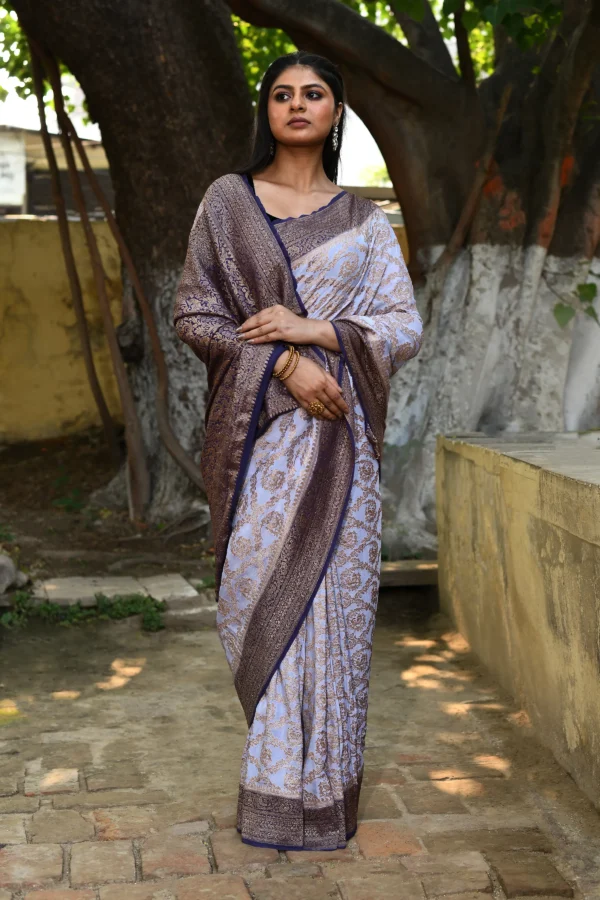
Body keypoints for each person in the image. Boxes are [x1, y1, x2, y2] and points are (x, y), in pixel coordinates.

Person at [173, 50, 423, 851]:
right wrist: (284, 363)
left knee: (335, 618)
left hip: (343, 453)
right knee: (256, 593)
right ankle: (280, 781)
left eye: (314, 94)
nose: (297, 104)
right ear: (267, 110)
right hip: (261, 443)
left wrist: (315, 330)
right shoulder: (228, 203)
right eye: (282, 94)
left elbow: (403, 327)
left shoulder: (364, 223)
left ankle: (314, 802)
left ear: (336, 112)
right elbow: (195, 315)